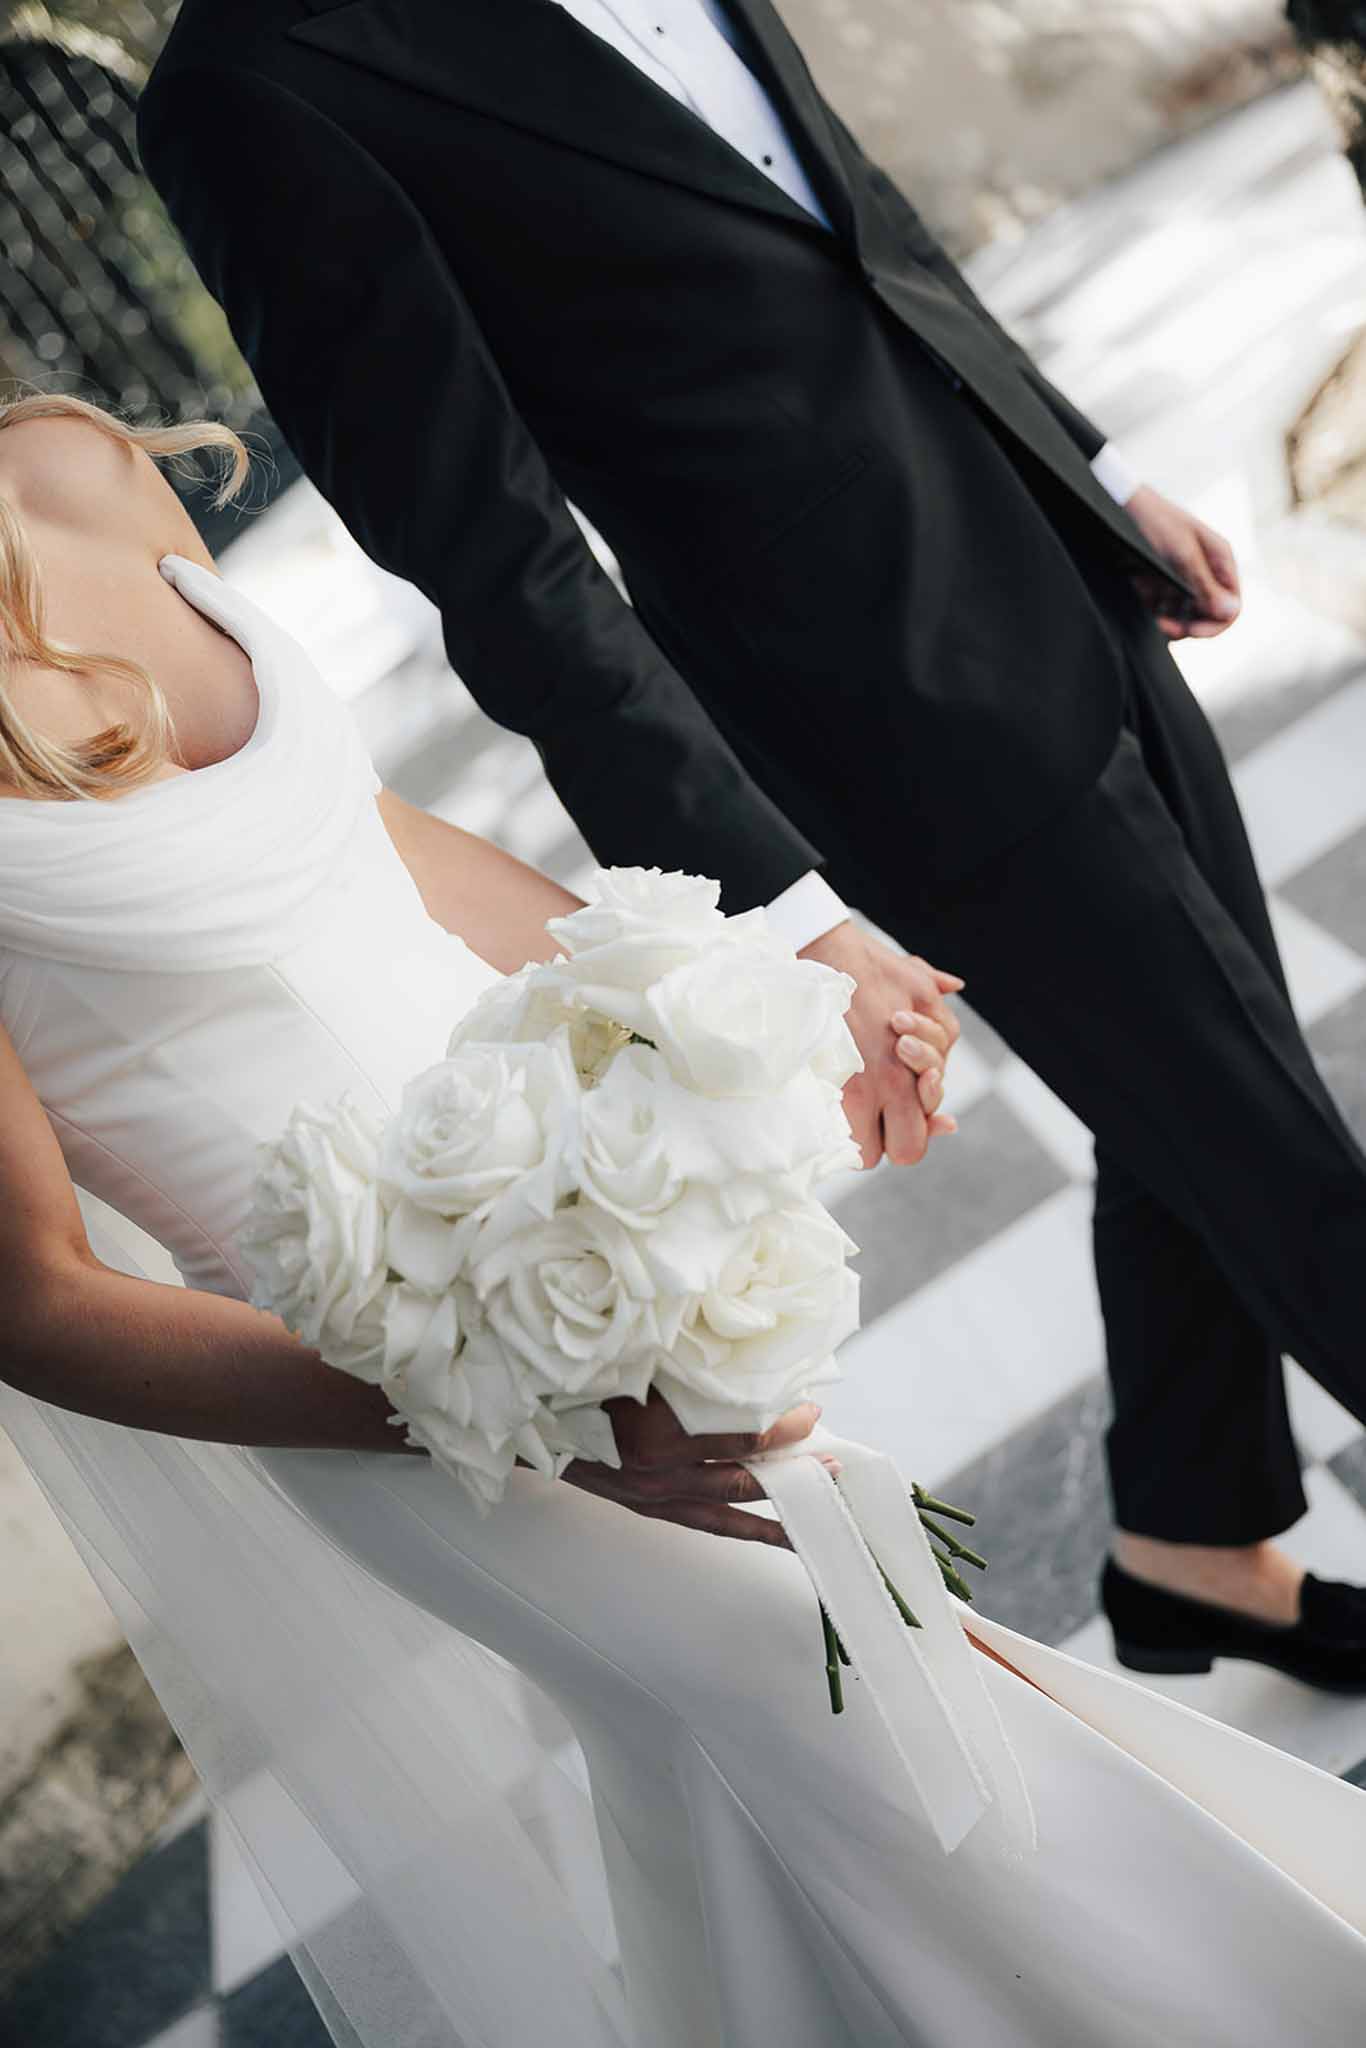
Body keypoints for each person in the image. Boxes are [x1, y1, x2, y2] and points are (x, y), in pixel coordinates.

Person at [2, 396, 1364, 2048]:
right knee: (838, 1710)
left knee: (863, 1721)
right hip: (384, 1385)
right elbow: (45, 1306)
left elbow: (365, 841)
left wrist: (736, 993)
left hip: (610, 1226)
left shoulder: (80, 467)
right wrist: (499, 1402)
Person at [136, 0, 1366, 1678]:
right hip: (887, 716)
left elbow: (841, 207)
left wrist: (1088, 458)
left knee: (1205, 1094)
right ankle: (1193, 1538)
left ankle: (1187, 1543)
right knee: (1271, 1149)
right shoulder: (254, 89)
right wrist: (775, 894)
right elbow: (494, 558)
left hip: (1052, 555)